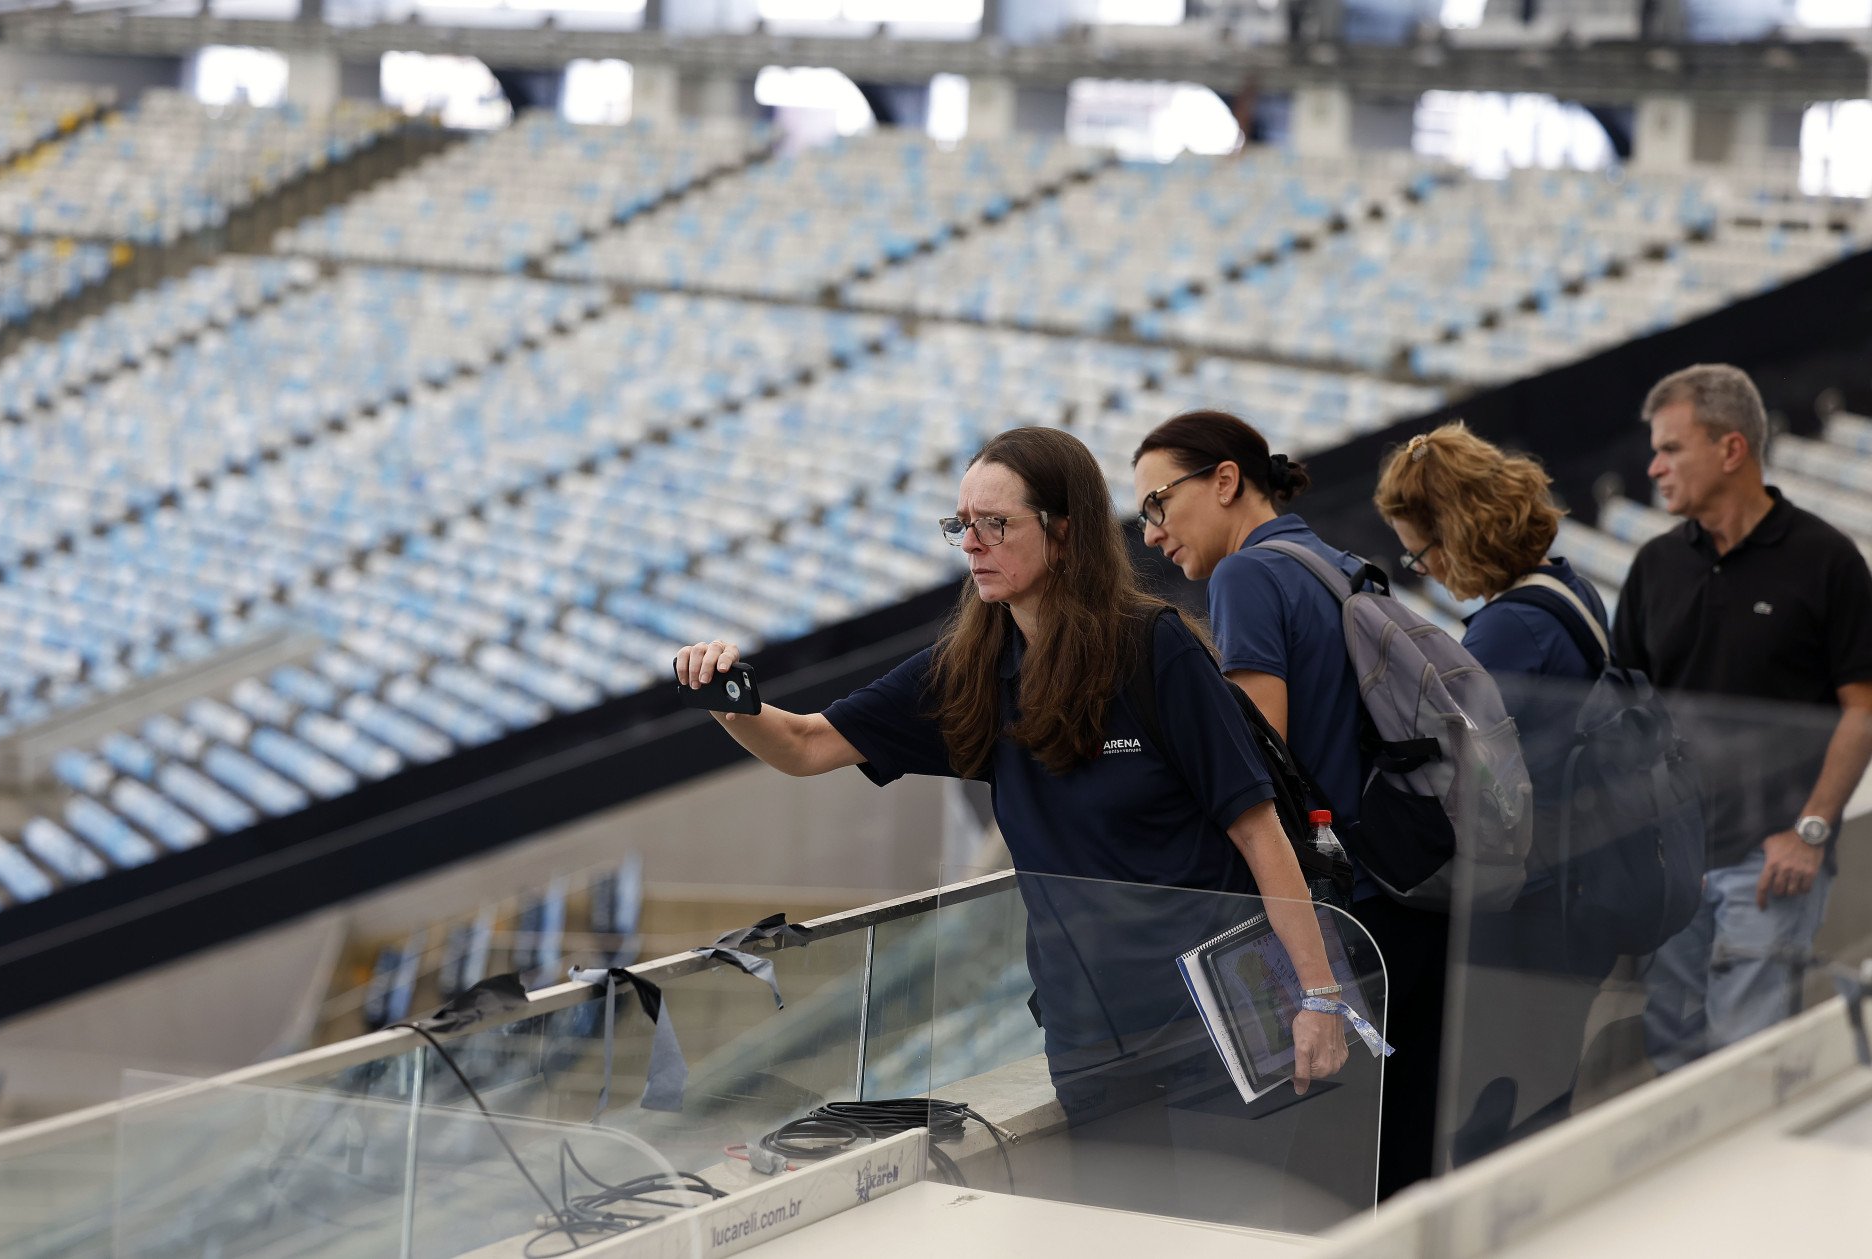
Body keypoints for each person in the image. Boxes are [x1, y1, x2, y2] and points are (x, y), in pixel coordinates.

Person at [673, 428, 1367, 1216]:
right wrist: (725, 699)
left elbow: (1258, 832)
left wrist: (1319, 996)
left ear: (1064, 531)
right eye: (960, 524)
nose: (971, 544)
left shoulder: (1154, 648)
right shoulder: (972, 665)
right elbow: (804, 745)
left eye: (995, 524)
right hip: (1092, 1046)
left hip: (1216, 1032)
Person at [1131, 409, 1448, 1198]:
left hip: (1346, 919)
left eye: (1157, 503)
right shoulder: (1330, 559)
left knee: (1320, 1191)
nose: (1150, 533)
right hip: (1413, 898)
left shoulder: (1247, 576)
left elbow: (1252, 764)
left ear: (1227, 481)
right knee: (1405, 1169)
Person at [1614, 364, 1872, 1072]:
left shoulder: (1827, 560)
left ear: (1731, 450)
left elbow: (1863, 711)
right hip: (1680, 869)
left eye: (1671, 448)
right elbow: (1629, 715)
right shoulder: (1655, 566)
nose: (1654, 466)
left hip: (1774, 862)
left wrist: (1810, 832)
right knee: (1670, 1051)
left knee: (1744, 1060)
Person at [1372, 422, 1616, 1161]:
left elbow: (1465, 781)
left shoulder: (1507, 634)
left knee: (1501, 1122)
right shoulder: (1565, 583)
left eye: (1421, 549)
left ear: (1457, 530)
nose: (1422, 567)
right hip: (1578, 889)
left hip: (1537, 911)